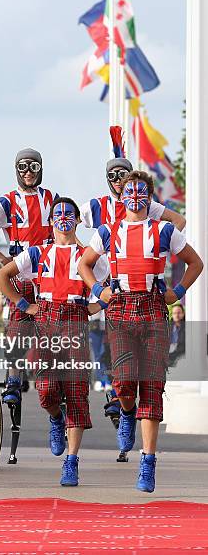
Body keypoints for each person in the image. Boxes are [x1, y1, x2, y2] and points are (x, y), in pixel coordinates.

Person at [78, 171, 203, 492]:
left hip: (153, 309)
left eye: (141, 191)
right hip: (120, 308)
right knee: (123, 381)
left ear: (149, 196)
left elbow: (195, 263)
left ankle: (148, 463)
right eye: (129, 191)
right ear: (122, 197)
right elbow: (84, 264)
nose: (134, 197)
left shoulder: (164, 230)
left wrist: (177, 292)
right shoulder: (108, 232)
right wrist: (98, 291)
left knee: (151, 386)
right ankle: (126, 411)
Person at [0, 197, 106, 487]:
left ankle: (72, 461)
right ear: (52, 220)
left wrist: (94, 308)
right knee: (46, 390)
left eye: (69, 213)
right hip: (45, 318)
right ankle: (56, 417)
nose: (63, 218)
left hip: (75, 319)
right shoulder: (37, 253)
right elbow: (0, 277)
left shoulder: (88, 256)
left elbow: (111, 288)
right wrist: (22, 305)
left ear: (78, 219)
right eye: (58, 214)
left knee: (77, 391)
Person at [0, 148, 58, 404]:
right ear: (16, 170)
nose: (28, 173)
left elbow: (66, 228)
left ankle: (53, 378)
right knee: (17, 327)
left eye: (33, 167)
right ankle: (13, 379)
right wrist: (2, 259)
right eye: (23, 167)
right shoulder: (7, 201)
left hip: (47, 269)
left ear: (41, 168)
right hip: (20, 270)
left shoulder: (52, 198)